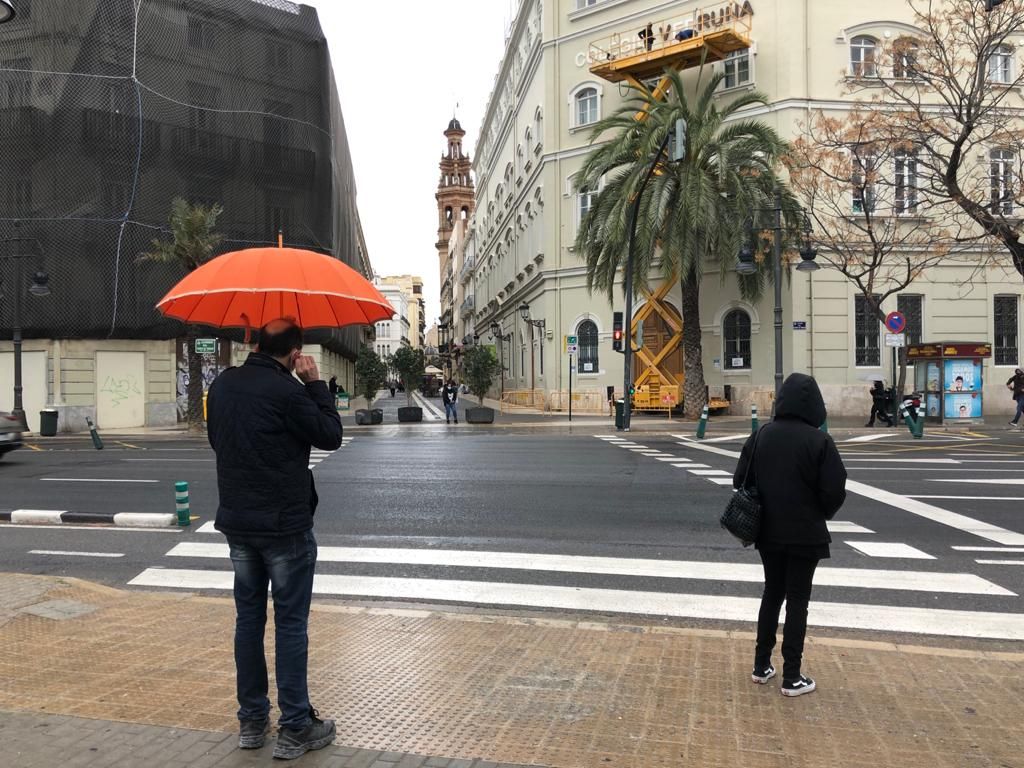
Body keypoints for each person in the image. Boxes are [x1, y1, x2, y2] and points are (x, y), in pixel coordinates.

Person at [207, 318, 342, 759]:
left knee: (248, 621)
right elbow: (330, 435)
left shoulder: (223, 387)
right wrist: (315, 385)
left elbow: (217, 441)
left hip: (239, 526)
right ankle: (296, 726)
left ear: (258, 344)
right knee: (289, 624)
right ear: (295, 351)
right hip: (284, 527)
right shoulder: (289, 392)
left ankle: (251, 722)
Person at [733, 373, 847, 697]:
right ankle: (792, 676)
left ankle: (761, 665)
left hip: (767, 530)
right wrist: (820, 512)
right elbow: (834, 489)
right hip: (806, 533)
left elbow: (739, 479)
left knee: (772, 593)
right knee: (798, 601)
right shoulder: (819, 441)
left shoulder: (761, 436)